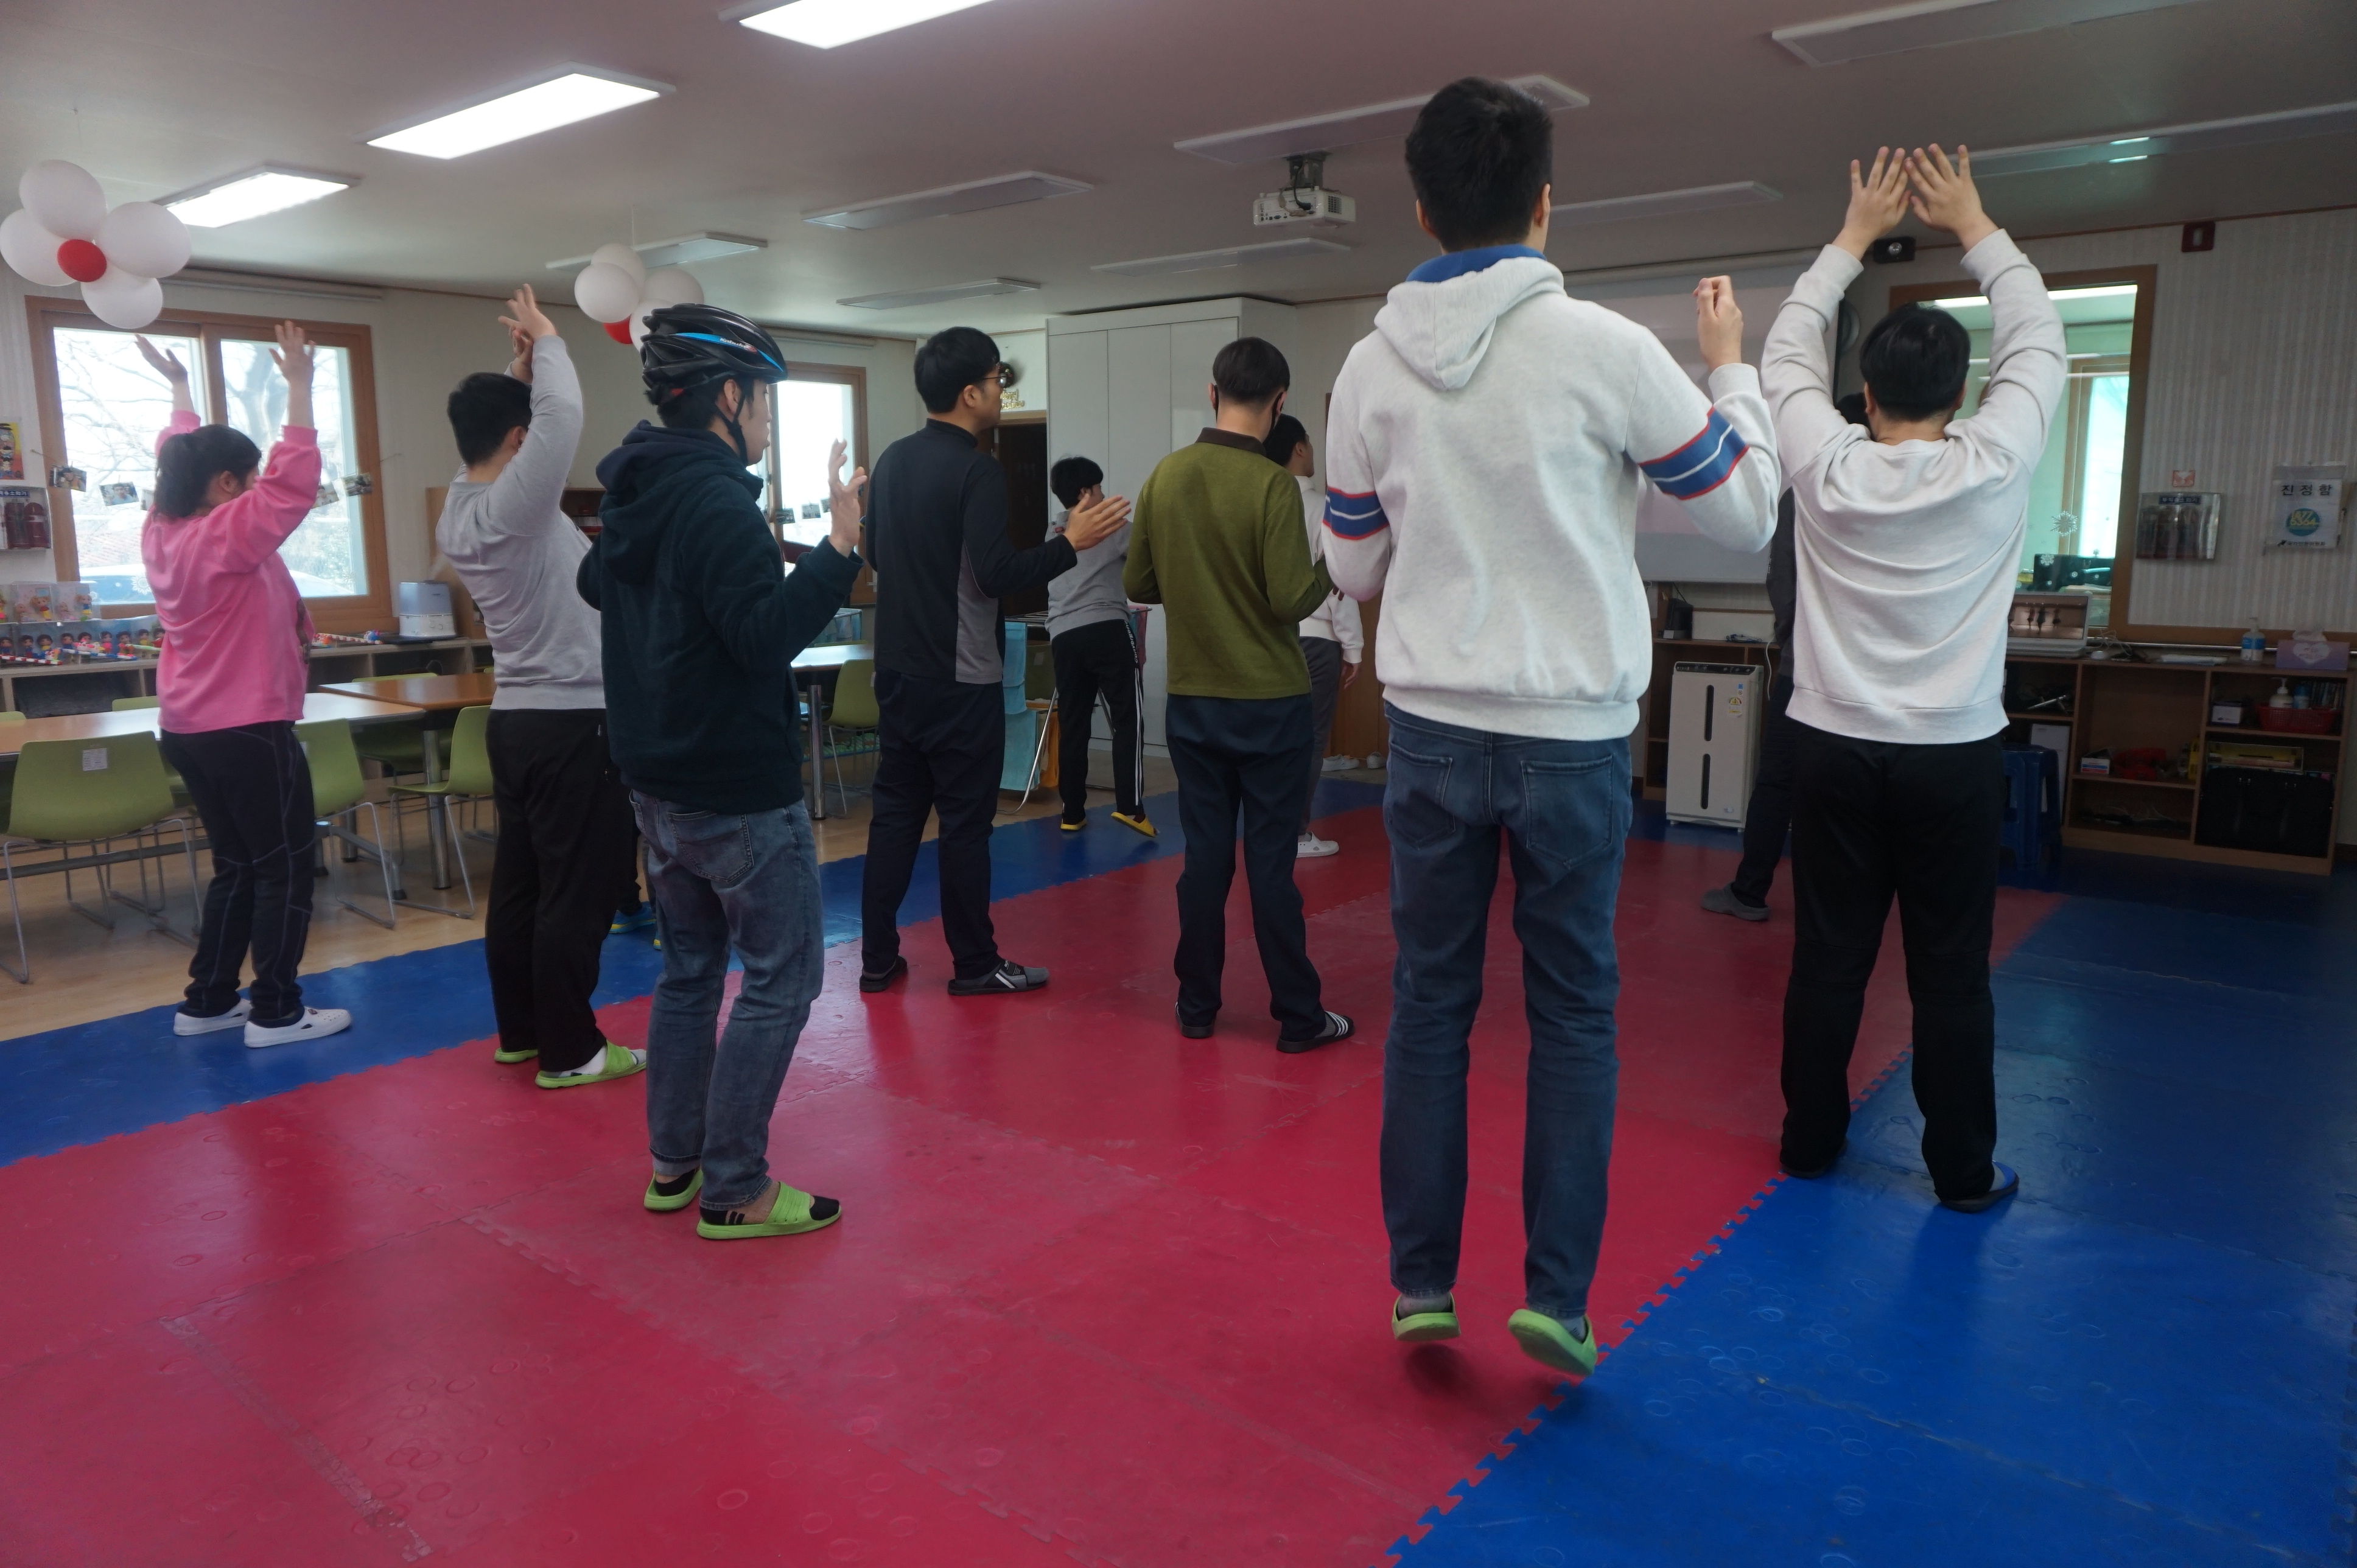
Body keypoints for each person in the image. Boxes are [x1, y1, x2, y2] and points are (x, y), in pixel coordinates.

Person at [1322, 78, 1779, 1377]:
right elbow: (1746, 515)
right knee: (1574, 1013)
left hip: (1427, 731)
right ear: (1542, 206)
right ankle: (1558, 1302)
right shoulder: (1607, 349)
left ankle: (1421, 1286)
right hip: (1572, 735)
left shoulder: (1366, 366)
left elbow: (1351, 567)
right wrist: (1733, 369)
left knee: (1429, 1006)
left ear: (1421, 209)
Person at [1762, 145, 2062, 1214]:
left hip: (1830, 751)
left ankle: (1808, 1145)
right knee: (1949, 972)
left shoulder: (1825, 462)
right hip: (1950, 757)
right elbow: (2038, 334)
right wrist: (1973, 224)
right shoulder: (1996, 461)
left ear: (1867, 392)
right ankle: (1962, 1173)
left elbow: (1785, 352)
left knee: (1827, 958)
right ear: (1965, 393)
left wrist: (1853, 236)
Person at [577, 303, 867, 1241]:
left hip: (656, 785)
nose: (770, 421)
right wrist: (840, 549)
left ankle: (676, 1166)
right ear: (730, 399)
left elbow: (597, 584)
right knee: (784, 979)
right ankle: (735, 1187)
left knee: (692, 974)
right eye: (766, 402)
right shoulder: (718, 505)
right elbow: (761, 639)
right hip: (734, 788)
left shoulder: (638, 494)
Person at [857, 328, 1129, 997]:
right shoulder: (977, 469)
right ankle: (975, 965)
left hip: (897, 673)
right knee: (963, 827)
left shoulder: (891, 460)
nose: (1002, 393)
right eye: (996, 381)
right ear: (970, 393)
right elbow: (996, 573)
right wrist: (1071, 542)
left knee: (895, 818)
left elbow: (875, 556)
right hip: (959, 677)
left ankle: (877, 959)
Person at [1125, 337, 1353, 1054]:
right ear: (1280, 402)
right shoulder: (1271, 487)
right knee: (1269, 866)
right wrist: (1335, 566)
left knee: (1204, 861)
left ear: (1212, 391)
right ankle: (1298, 1016)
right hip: (1270, 704)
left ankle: (1195, 1005)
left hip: (1192, 702)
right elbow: (1290, 599)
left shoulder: (1166, 475)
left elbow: (1137, 584)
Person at [438, 286, 640, 1087]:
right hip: (572, 725)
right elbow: (561, 420)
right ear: (519, 444)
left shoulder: (461, 508)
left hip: (518, 724)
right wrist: (551, 340)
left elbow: (507, 429)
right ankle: (571, 1049)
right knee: (579, 892)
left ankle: (523, 1033)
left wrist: (516, 372)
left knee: (522, 888)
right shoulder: (514, 509)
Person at [138, 324, 352, 1049]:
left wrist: (180, 392)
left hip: (191, 727)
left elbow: (177, 455)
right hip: (246, 728)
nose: (260, 486)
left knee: (237, 863)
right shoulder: (225, 534)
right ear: (228, 486)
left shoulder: (163, 529)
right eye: (248, 477)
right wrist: (299, 387)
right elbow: (293, 483)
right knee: (284, 867)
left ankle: (208, 1001)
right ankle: (277, 1010)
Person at [1702, 391, 1871, 923]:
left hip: (1806, 669)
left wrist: (1792, 639)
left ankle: (1750, 890)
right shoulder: (1888, 495)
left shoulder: (1802, 496)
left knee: (1778, 782)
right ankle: (1848, 902)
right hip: (1871, 674)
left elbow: (1784, 583)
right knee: (1855, 790)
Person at [1263, 413, 1362, 858]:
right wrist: (1353, 646)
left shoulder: (1262, 506)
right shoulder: (1322, 507)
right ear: (1300, 448)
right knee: (1310, 740)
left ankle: (1269, 829)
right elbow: (1340, 582)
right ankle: (1297, 834)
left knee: (1273, 739)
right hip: (1316, 637)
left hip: (1269, 640)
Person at [1044, 454, 1151, 838]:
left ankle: (1072, 812)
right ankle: (1131, 808)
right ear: (1085, 493)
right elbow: (1151, 556)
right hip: (1107, 629)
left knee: (1074, 725)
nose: (1104, 495)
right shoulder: (1112, 526)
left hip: (1063, 636)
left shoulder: (1053, 533)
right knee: (1127, 719)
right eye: (1099, 487)